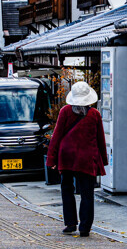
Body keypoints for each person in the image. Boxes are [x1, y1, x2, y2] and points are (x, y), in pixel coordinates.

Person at [46, 81, 107, 237]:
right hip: (87, 159)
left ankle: (71, 223)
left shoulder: (65, 111)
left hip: (66, 157)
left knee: (67, 189)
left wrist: (51, 159)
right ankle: (85, 227)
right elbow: (100, 139)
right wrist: (103, 160)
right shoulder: (95, 114)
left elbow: (57, 136)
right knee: (87, 193)